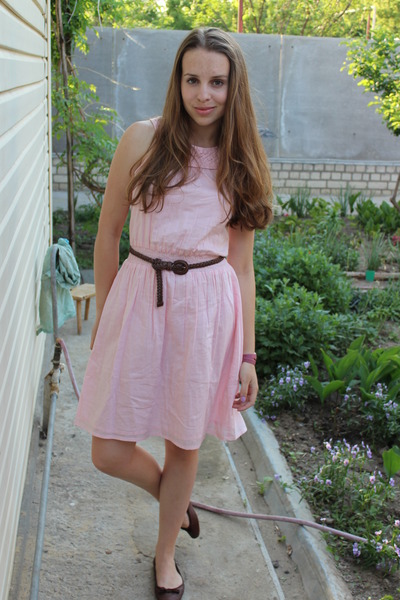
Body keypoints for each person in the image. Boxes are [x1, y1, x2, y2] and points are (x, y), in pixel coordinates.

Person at [74, 26, 273, 600]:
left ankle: (166, 558)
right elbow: (107, 235)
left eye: (216, 81)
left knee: (186, 441)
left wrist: (247, 354)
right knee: (107, 449)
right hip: (142, 296)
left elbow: (241, 267)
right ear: (177, 81)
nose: (203, 93)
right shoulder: (143, 140)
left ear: (233, 88)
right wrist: (108, 320)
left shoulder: (239, 160)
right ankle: (174, 501)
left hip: (207, 311)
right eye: (193, 79)